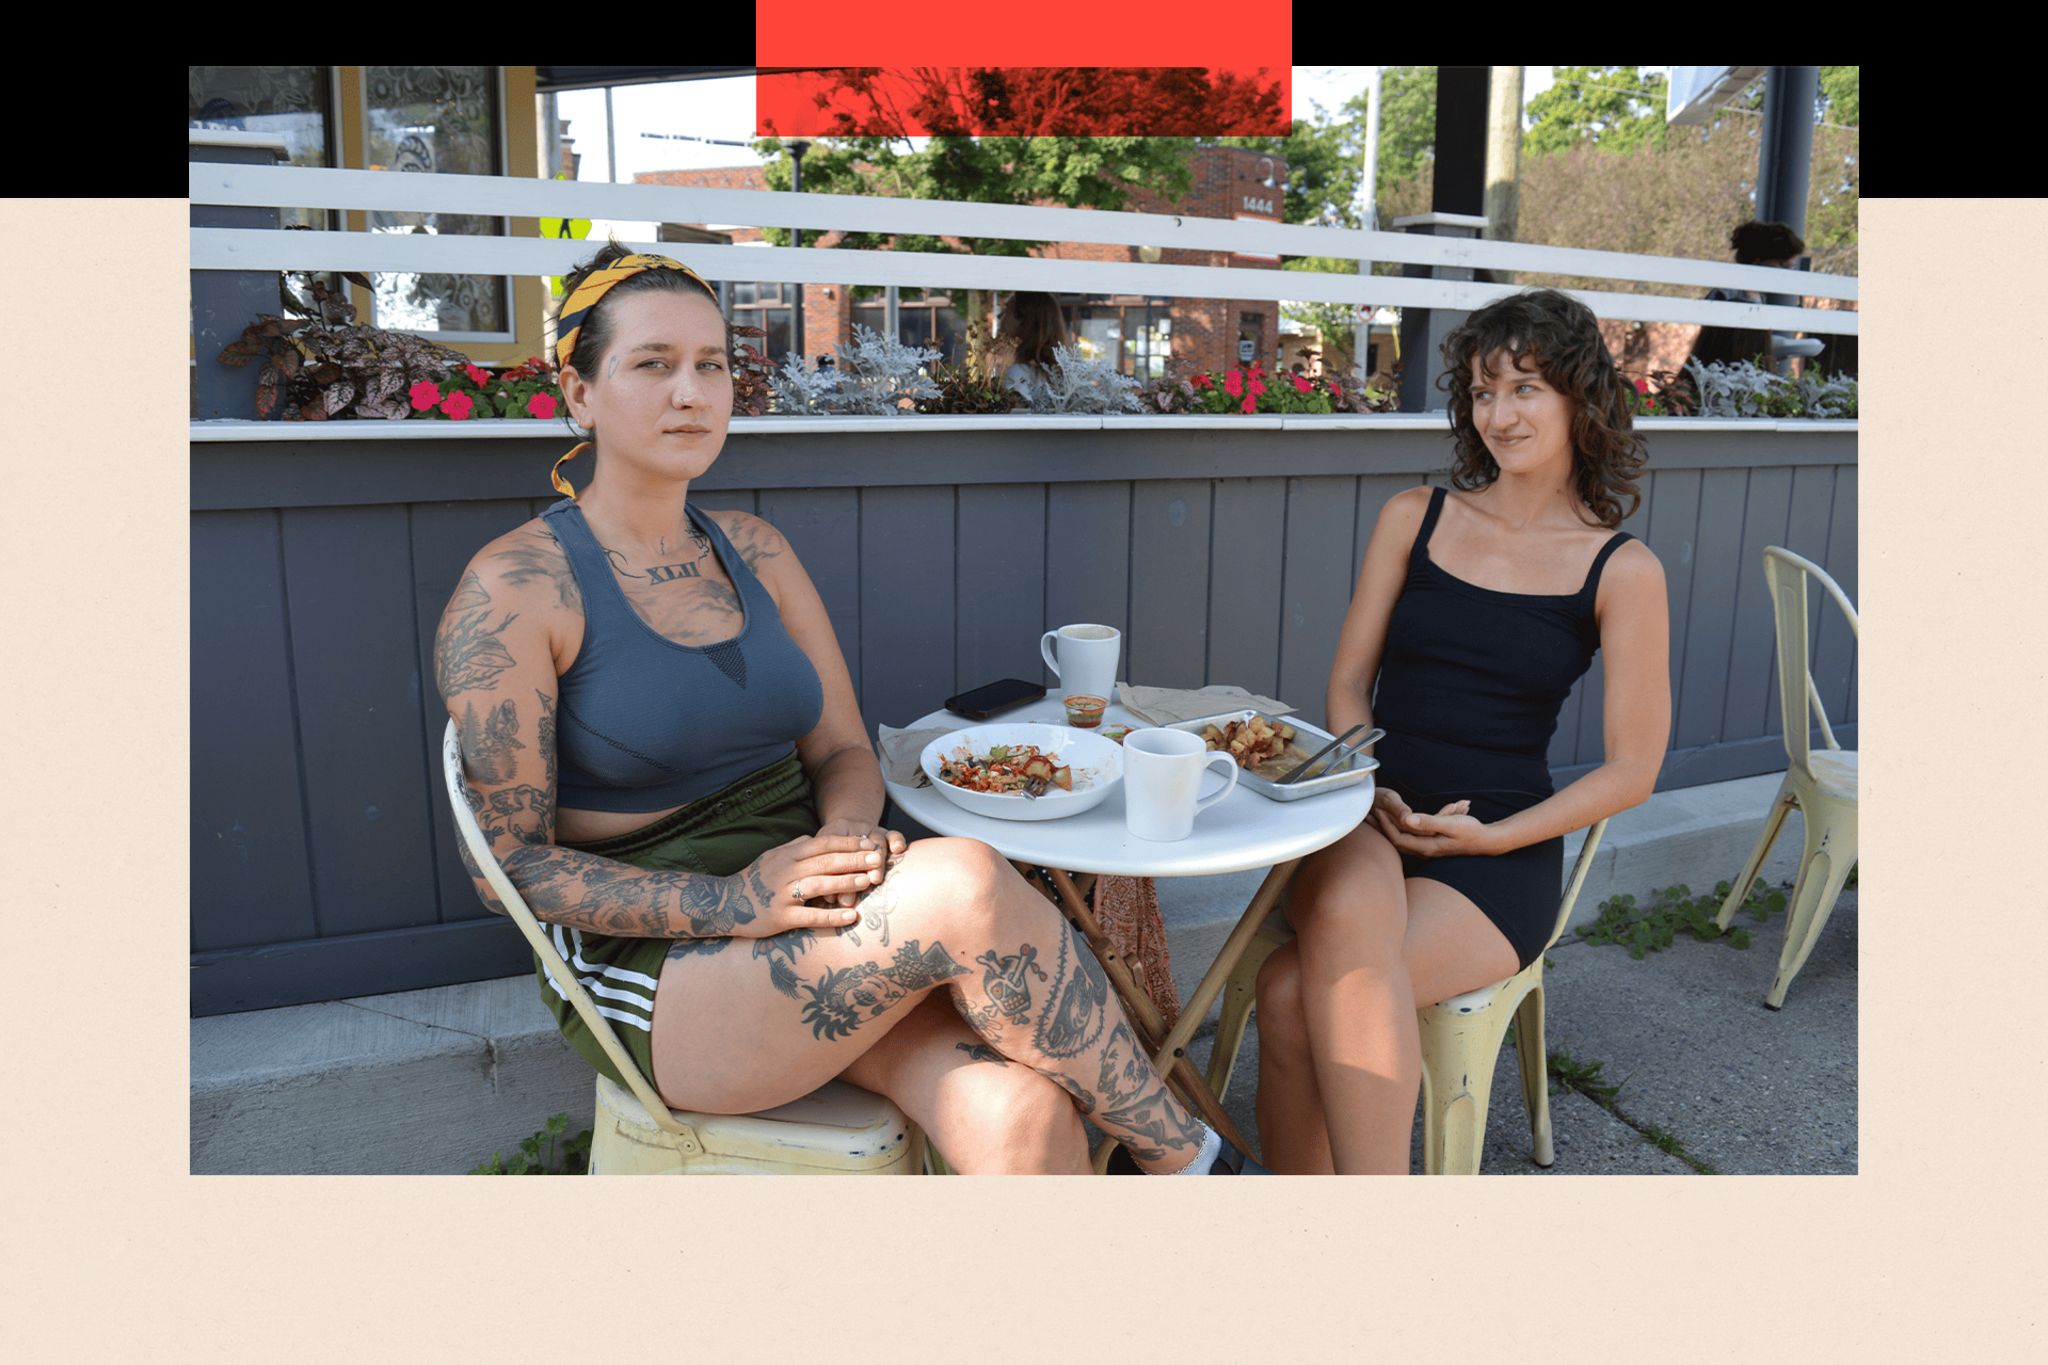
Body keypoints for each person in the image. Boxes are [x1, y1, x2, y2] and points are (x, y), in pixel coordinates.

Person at [434, 239, 1263, 1175]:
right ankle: (1194, 1163)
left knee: (1017, 1112)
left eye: (712, 365)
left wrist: (844, 850)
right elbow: (505, 868)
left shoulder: (757, 549)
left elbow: (843, 752)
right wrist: (733, 901)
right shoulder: (516, 589)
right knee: (970, 884)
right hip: (656, 964)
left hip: (813, 913)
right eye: (653, 364)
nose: (692, 392)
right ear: (579, 393)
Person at [1251, 287, 1672, 1174]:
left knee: (1290, 993)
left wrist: (1492, 838)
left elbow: (1635, 769)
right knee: (1319, 952)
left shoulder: (1621, 567)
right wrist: (1367, 781)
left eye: (1525, 388)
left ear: (1578, 398)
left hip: (1501, 845)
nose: (1500, 414)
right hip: (1371, 807)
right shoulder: (1418, 515)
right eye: (1483, 391)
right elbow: (1346, 684)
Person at [988, 291, 1073, 396]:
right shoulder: (1053, 373)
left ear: (1023, 321)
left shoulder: (1018, 374)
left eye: (1006, 311)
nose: (999, 317)